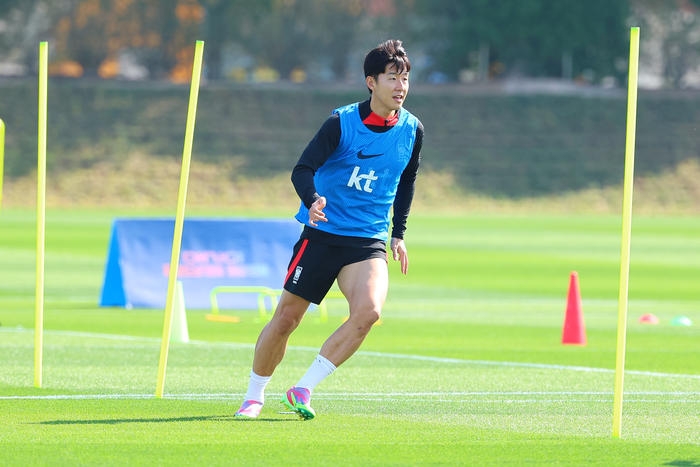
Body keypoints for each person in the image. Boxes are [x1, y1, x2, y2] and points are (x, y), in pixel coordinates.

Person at [234, 39, 424, 420]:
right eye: (392, 78)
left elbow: (407, 181)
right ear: (371, 82)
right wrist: (312, 200)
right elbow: (302, 169)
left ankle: (303, 388)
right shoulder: (341, 123)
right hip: (323, 233)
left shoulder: (413, 130)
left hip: (367, 239)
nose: (400, 86)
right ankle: (254, 396)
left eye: (405, 78)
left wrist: (398, 232)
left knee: (368, 312)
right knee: (286, 319)